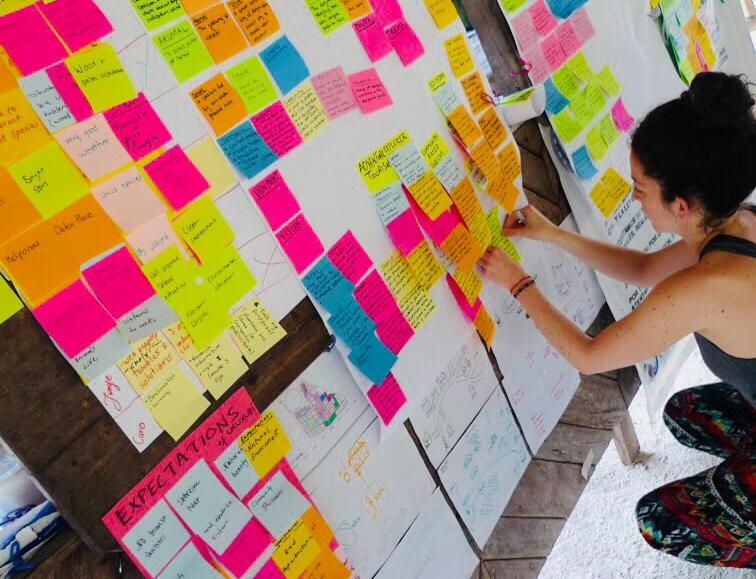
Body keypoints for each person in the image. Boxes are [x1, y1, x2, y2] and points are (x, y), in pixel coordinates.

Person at [478, 71, 756, 568]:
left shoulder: (706, 286)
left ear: (681, 206)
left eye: (640, 189)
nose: (634, 200)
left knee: (658, 518)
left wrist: (519, 285)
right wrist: (553, 236)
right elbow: (645, 268)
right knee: (684, 414)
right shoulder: (741, 220)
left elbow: (588, 356)